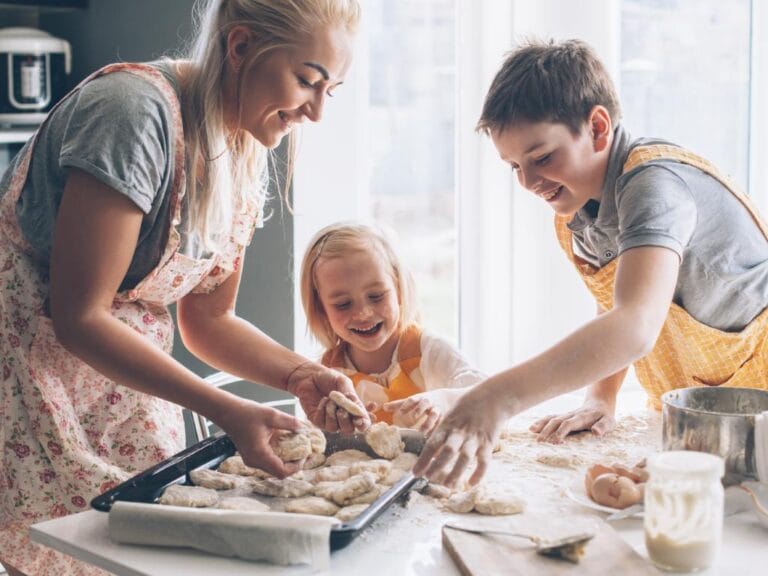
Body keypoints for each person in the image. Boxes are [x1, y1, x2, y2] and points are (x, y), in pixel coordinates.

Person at [0, 1, 369, 574]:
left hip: (125, 380)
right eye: (307, 80)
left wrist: (300, 375)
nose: (317, 112)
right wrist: (229, 410)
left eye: (333, 90)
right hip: (25, 368)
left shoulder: (244, 139)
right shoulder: (131, 116)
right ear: (241, 46)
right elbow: (81, 316)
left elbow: (209, 321)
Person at [414, 38, 768, 488]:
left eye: (541, 157)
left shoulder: (653, 185)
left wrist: (495, 398)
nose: (528, 182)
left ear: (598, 127)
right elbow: (619, 298)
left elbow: (634, 324)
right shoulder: (577, 210)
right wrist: (602, 396)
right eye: (513, 166)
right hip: (704, 413)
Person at [300, 222, 485, 434]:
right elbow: (319, 440)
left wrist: (442, 400)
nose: (363, 313)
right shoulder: (328, 373)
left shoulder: (429, 352)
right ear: (321, 308)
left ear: (398, 289)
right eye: (343, 304)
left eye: (376, 296)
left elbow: (489, 397)